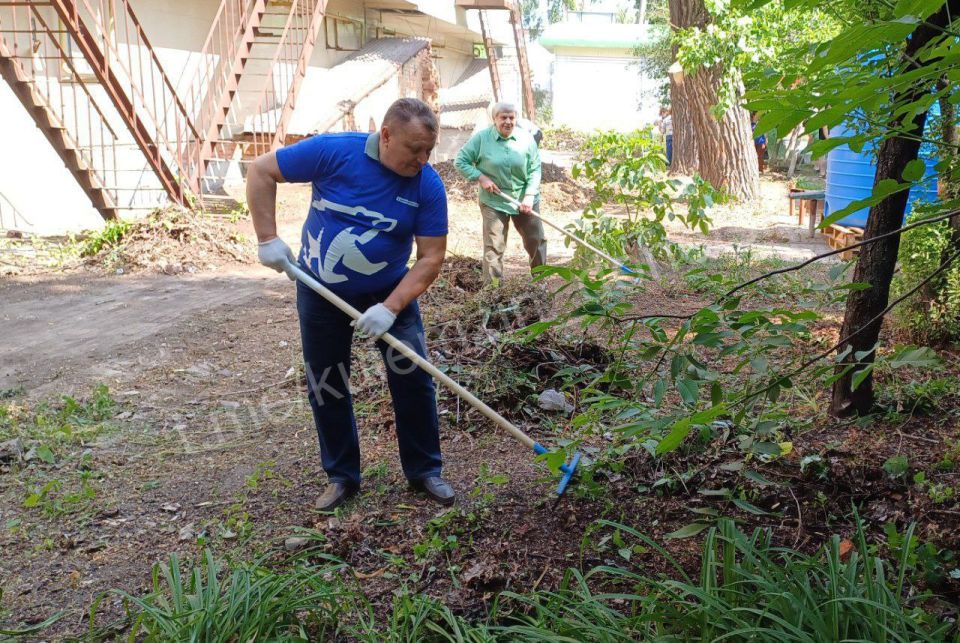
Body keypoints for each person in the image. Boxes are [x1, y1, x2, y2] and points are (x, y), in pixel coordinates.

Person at [246, 98, 454, 511]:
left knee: (412, 375)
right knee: (327, 383)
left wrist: (391, 307)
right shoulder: (333, 151)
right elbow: (261, 170)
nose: (423, 159)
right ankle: (342, 476)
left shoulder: (427, 185)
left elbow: (431, 257)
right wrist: (267, 237)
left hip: (387, 292)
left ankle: (424, 470)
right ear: (387, 135)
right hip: (321, 291)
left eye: (429, 150)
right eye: (414, 149)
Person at [454, 101, 544, 285]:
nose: (508, 121)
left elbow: (535, 168)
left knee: (536, 240)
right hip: (494, 201)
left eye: (512, 117)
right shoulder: (481, 139)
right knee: (494, 246)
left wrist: (529, 195)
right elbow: (460, 161)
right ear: (494, 119)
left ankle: (540, 282)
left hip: (525, 199)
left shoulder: (526, 139)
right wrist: (481, 177)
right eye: (503, 117)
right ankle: (493, 292)